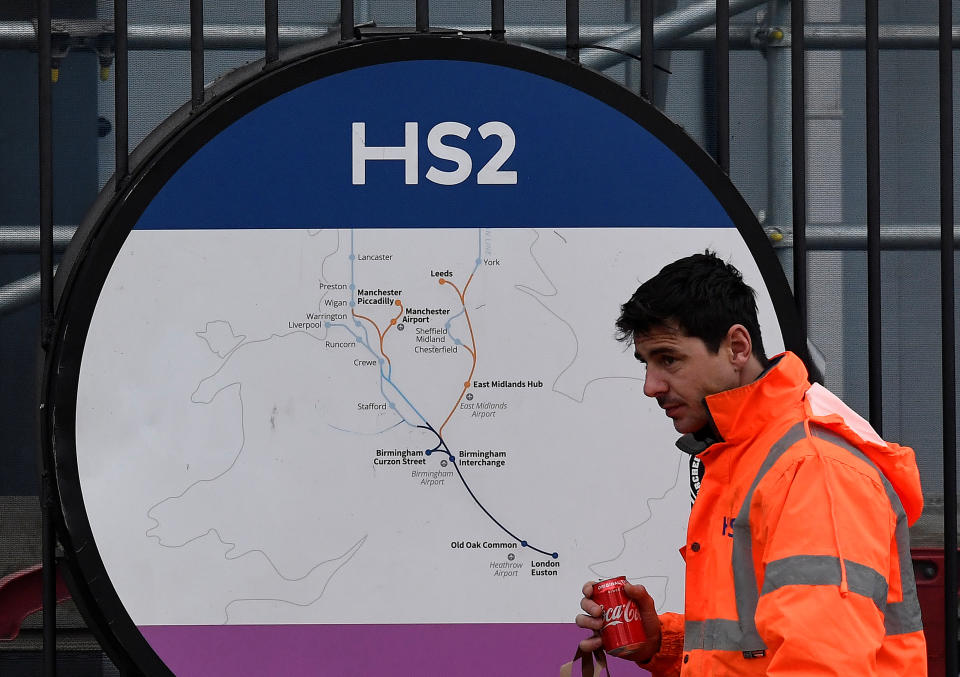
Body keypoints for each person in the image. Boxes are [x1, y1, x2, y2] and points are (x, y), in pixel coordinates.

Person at [576, 251, 927, 675]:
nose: (651, 386)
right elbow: (760, 643)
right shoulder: (748, 454)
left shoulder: (811, 469)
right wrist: (661, 644)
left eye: (668, 359)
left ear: (737, 347)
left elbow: (821, 664)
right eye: (646, 363)